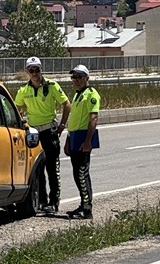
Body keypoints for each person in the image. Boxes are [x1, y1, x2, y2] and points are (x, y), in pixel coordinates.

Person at [14, 56, 70, 214]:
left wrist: (62, 126)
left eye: (37, 70)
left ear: (41, 70)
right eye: (31, 70)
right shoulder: (23, 90)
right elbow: (16, 108)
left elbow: (66, 104)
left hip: (49, 132)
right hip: (34, 134)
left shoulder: (52, 86)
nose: (34, 73)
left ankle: (54, 202)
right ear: (27, 72)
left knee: (53, 169)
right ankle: (42, 201)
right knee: (38, 169)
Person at [62, 64, 101, 220]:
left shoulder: (91, 94)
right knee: (77, 174)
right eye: (74, 77)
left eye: (79, 77)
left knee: (82, 174)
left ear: (86, 78)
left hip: (83, 138)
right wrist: (68, 140)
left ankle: (87, 208)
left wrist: (87, 142)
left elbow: (93, 118)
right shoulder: (78, 94)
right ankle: (83, 204)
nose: (76, 80)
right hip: (75, 137)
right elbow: (74, 120)